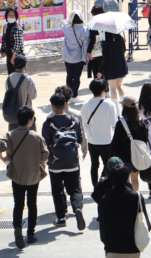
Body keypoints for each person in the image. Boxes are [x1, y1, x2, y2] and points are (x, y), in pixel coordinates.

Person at [0, 106, 48, 248]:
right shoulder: (37, 136)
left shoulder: (10, 135)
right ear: (30, 120)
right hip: (33, 176)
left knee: (18, 205)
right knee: (32, 204)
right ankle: (31, 234)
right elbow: (45, 154)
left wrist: (5, 160)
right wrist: (42, 163)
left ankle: (18, 229)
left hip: (17, 175)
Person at [41, 92, 86, 230]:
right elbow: (80, 139)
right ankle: (77, 208)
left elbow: (45, 143)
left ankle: (61, 218)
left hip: (55, 163)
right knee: (75, 189)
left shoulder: (48, 122)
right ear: (65, 104)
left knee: (57, 190)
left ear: (52, 106)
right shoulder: (74, 120)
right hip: (72, 162)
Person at [97, 163, 149, 257]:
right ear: (127, 177)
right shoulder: (136, 197)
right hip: (133, 248)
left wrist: (108, 244)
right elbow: (147, 224)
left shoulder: (104, 200)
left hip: (112, 248)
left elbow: (103, 228)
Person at [80, 78, 117, 187]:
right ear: (104, 89)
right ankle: (106, 183)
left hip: (92, 141)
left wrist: (89, 133)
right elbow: (114, 124)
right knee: (108, 164)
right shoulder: (110, 105)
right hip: (106, 140)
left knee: (94, 165)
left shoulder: (86, 105)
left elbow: (83, 123)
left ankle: (95, 186)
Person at [110, 96, 150, 191]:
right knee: (135, 178)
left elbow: (115, 142)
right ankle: (135, 196)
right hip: (137, 155)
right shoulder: (140, 123)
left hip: (124, 156)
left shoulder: (120, 123)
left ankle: (127, 197)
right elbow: (144, 140)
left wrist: (112, 155)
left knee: (126, 179)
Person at [61, 11, 89, 98]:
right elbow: (85, 46)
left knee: (69, 76)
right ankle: (74, 95)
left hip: (67, 56)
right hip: (78, 57)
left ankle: (68, 95)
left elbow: (63, 21)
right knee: (76, 77)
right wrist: (86, 58)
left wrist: (70, 19)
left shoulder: (66, 27)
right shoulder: (84, 30)